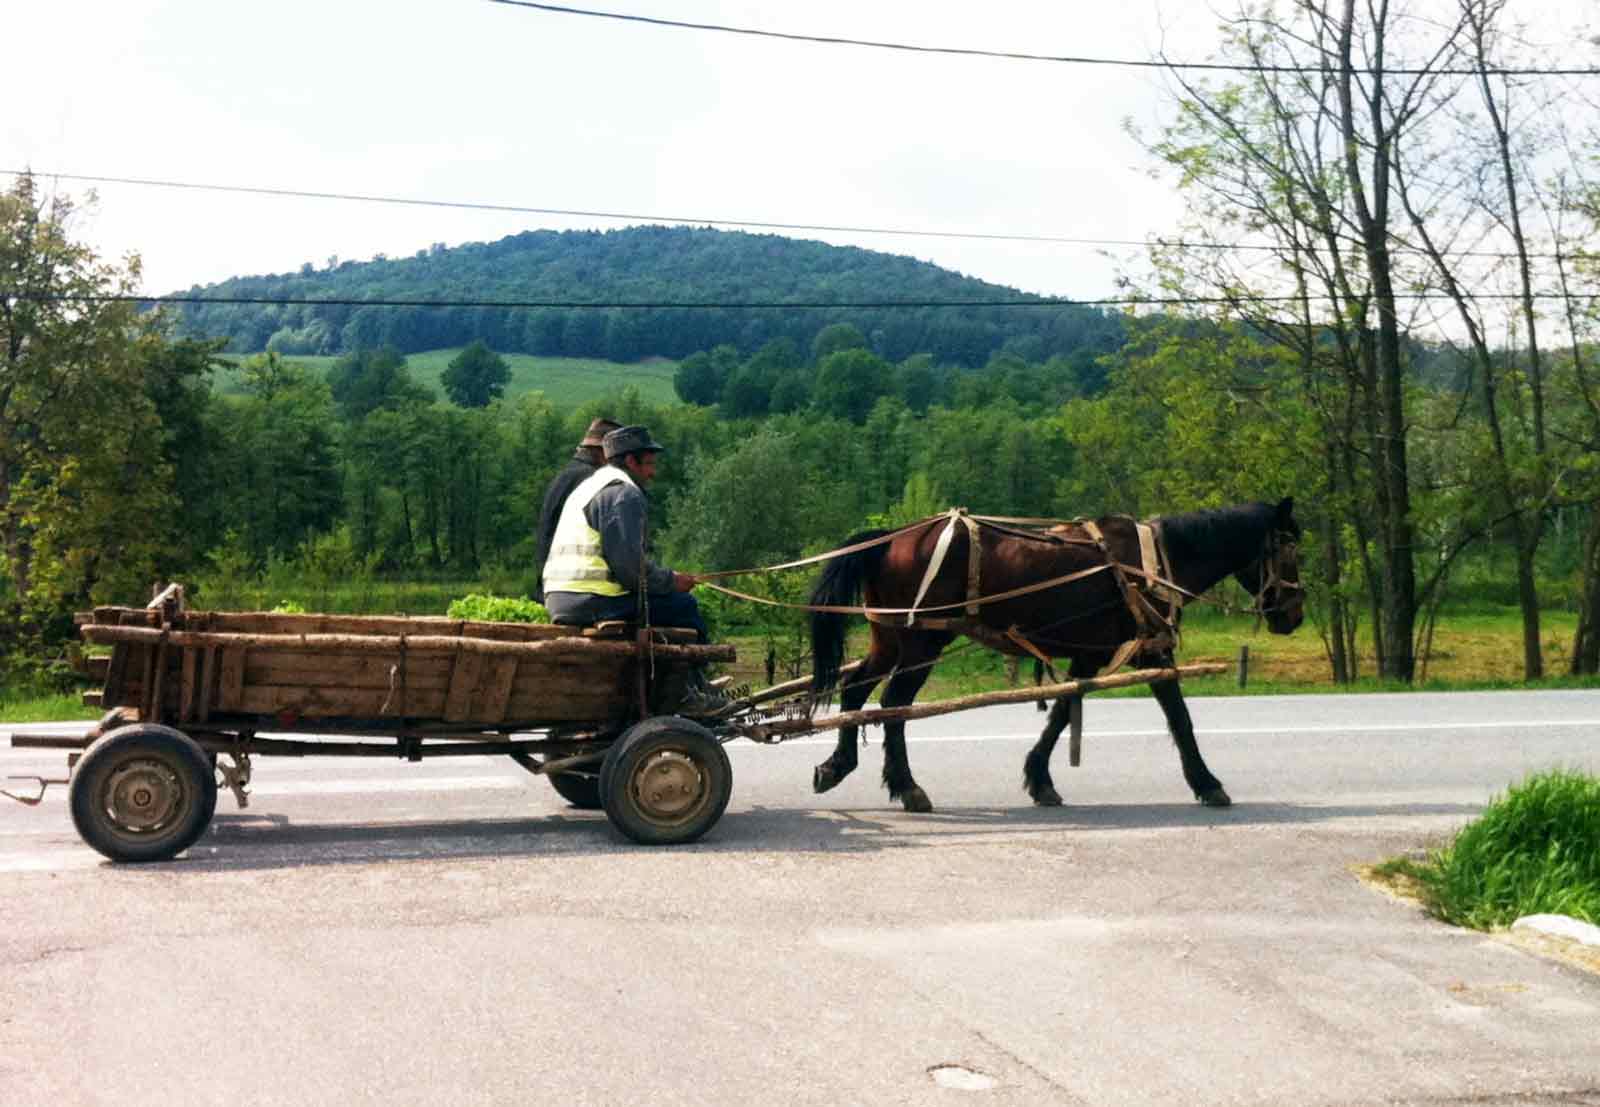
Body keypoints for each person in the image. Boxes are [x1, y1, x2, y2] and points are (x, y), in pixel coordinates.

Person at [543, 426, 725, 711]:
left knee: (670, 604)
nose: (653, 473)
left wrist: (665, 580)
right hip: (592, 599)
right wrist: (670, 581)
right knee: (684, 607)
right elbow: (630, 571)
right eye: (649, 464)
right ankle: (688, 691)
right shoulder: (624, 494)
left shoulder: (591, 486)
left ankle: (685, 685)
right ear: (630, 462)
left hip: (562, 597)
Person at [533, 417, 620, 601]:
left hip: (551, 582)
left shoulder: (567, 474)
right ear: (604, 452)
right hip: (576, 586)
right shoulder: (594, 480)